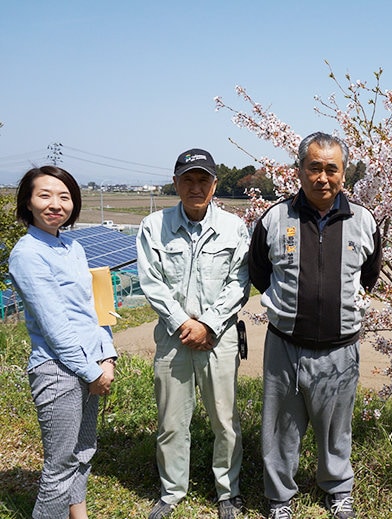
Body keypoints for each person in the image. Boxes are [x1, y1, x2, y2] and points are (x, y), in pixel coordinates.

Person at [249, 132, 382, 519]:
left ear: (344, 174)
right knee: (279, 429)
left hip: (341, 348)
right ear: (300, 170)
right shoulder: (275, 218)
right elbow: (260, 271)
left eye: (331, 169)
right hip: (284, 345)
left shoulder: (362, 220)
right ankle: (279, 499)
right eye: (314, 168)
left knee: (336, 429)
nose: (322, 177)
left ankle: (338, 489)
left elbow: (368, 275)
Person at [137, 148, 250, 519]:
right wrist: (184, 323)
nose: (196, 186)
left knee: (225, 420)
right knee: (171, 420)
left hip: (220, 337)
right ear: (176, 183)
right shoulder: (154, 226)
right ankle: (172, 490)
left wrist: (209, 324)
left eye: (203, 179)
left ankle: (227, 492)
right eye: (188, 179)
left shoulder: (234, 228)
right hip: (173, 337)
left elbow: (239, 282)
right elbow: (151, 282)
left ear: (215, 185)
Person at [9, 166, 117, 519]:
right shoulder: (27, 254)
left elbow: (95, 307)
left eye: (64, 196)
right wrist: (91, 372)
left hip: (90, 365)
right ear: (28, 201)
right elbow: (54, 325)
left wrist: (108, 356)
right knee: (58, 466)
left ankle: (78, 515)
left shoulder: (72, 245)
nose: (55, 204)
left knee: (84, 450)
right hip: (58, 370)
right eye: (45, 195)